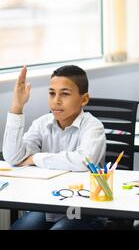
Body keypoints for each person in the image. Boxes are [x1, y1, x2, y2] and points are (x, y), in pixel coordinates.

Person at [3, 65, 106, 230]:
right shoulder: (42, 123)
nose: (56, 100)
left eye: (64, 94)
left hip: (84, 208)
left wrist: (35, 158)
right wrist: (17, 107)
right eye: (52, 93)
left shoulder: (93, 127)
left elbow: (84, 161)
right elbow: (13, 157)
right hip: (49, 204)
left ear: (84, 99)